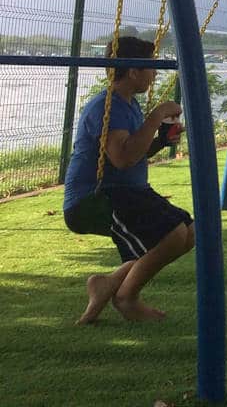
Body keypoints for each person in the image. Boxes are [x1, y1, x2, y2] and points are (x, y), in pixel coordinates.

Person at [63, 36, 192, 324]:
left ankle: (107, 284)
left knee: (189, 232)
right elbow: (122, 158)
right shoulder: (105, 107)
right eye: (151, 66)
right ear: (133, 71)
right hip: (97, 198)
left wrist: (159, 140)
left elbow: (135, 151)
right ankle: (126, 298)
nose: (155, 72)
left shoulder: (129, 104)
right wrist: (157, 116)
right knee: (172, 235)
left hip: (129, 192)